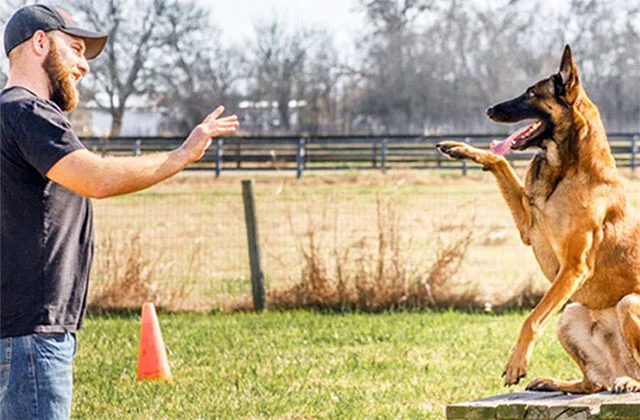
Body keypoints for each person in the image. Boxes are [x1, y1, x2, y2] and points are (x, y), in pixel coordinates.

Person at [0, 4, 239, 419]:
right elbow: (98, 178)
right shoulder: (28, 111)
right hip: (31, 333)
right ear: (40, 43)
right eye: (74, 49)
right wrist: (182, 155)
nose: (83, 65)